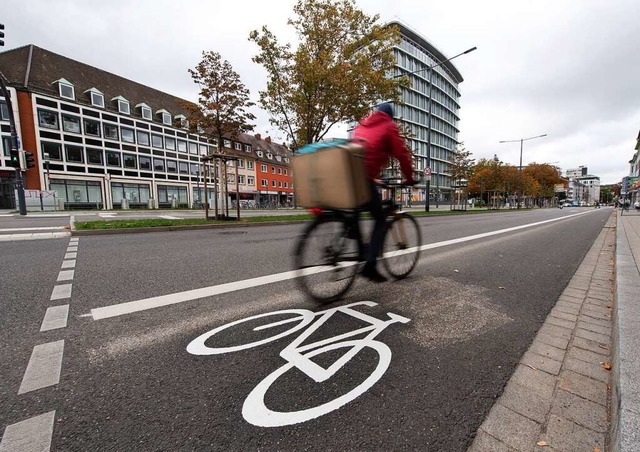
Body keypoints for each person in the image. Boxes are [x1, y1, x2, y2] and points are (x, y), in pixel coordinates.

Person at [352, 102, 417, 283]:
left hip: (351, 174)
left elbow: (361, 154)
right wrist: (409, 177)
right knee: (380, 219)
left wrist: (374, 178)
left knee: (354, 212)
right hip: (364, 178)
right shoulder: (388, 126)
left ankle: (357, 243)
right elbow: (402, 154)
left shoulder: (361, 125)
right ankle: (370, 265)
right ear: (390, 116)